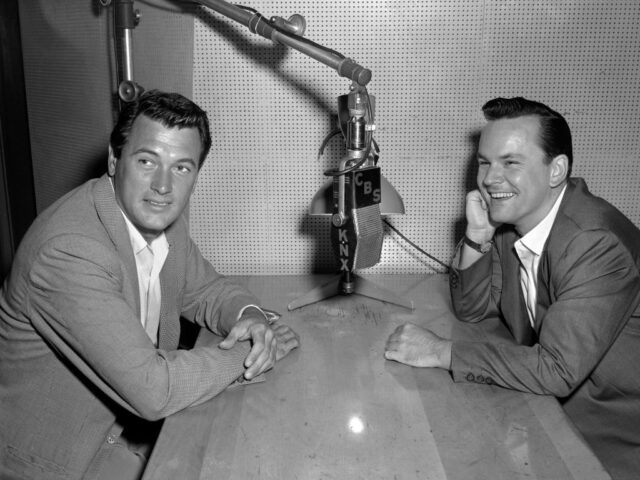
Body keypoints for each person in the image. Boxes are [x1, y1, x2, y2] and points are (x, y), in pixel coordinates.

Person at [0, 90, 299, 480]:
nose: (163, 186)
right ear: (114, 160)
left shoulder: (162, 223)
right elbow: (153, 390)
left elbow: (207, 290)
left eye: (181, 168)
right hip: (58, 462)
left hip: (127, 433)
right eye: (147, 161)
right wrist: (252, 352)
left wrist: (253, 317)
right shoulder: (70, 252)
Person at [385, 97, 640, 480]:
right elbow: (472, 309)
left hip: (610, 435)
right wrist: (476, 235)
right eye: (484, 162)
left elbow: (556, 369)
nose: (489, 178)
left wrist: (442, 351)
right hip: (547, 413)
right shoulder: (517, 221)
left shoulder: (593, 240)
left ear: (556, 170)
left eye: (510, 162)